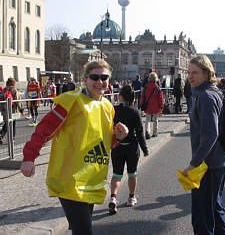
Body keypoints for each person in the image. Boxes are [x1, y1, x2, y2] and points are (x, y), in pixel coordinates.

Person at [20, 60, 128, 235]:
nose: (100, 82)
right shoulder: (71, 101)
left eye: (104, 77)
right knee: (84, 231)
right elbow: (44, 130)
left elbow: (104, 142)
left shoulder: (108, 107)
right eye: (95, 77)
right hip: (69, 180)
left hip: (91, 178)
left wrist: (118, 137)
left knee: (78, 229)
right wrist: (29, 157)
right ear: (85, 79)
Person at [183, 55, 225, 235]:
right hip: (218, 161)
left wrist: (193, 164)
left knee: (202, 215)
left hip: (207, 165)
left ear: (207, 73)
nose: (190, 77)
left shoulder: (205, 96)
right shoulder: (215, 91)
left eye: (195, 73)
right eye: (189, 73)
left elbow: (210, 135)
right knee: (215, 208)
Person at [108, 85, 149, 214]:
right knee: (132, 174)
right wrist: (145, 149)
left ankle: (113, 198)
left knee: (116, 175)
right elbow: (140, 132)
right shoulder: (135, 112)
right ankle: (131, 197)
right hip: (131, 147)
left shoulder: (114, 110)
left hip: (117, 146)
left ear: (120, 97)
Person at [140, 72, 164, 139]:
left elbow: (143, 96)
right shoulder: (157, 88)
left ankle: (147, 131)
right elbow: (160, 98)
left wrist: (141, 104)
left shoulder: (146, 87)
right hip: (156, 106)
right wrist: (161, 106)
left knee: (147, 120)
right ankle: (154, 133)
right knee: (155, 120)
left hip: (148, 106)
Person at [0, 78, 23, 144]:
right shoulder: (14, 90)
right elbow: (17, 101)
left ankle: (1, 135)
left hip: (5, 110)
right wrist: (21, 109)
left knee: (6, 124)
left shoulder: (4, 90)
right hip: (13, 111)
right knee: (13, 124)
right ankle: (12, 139)